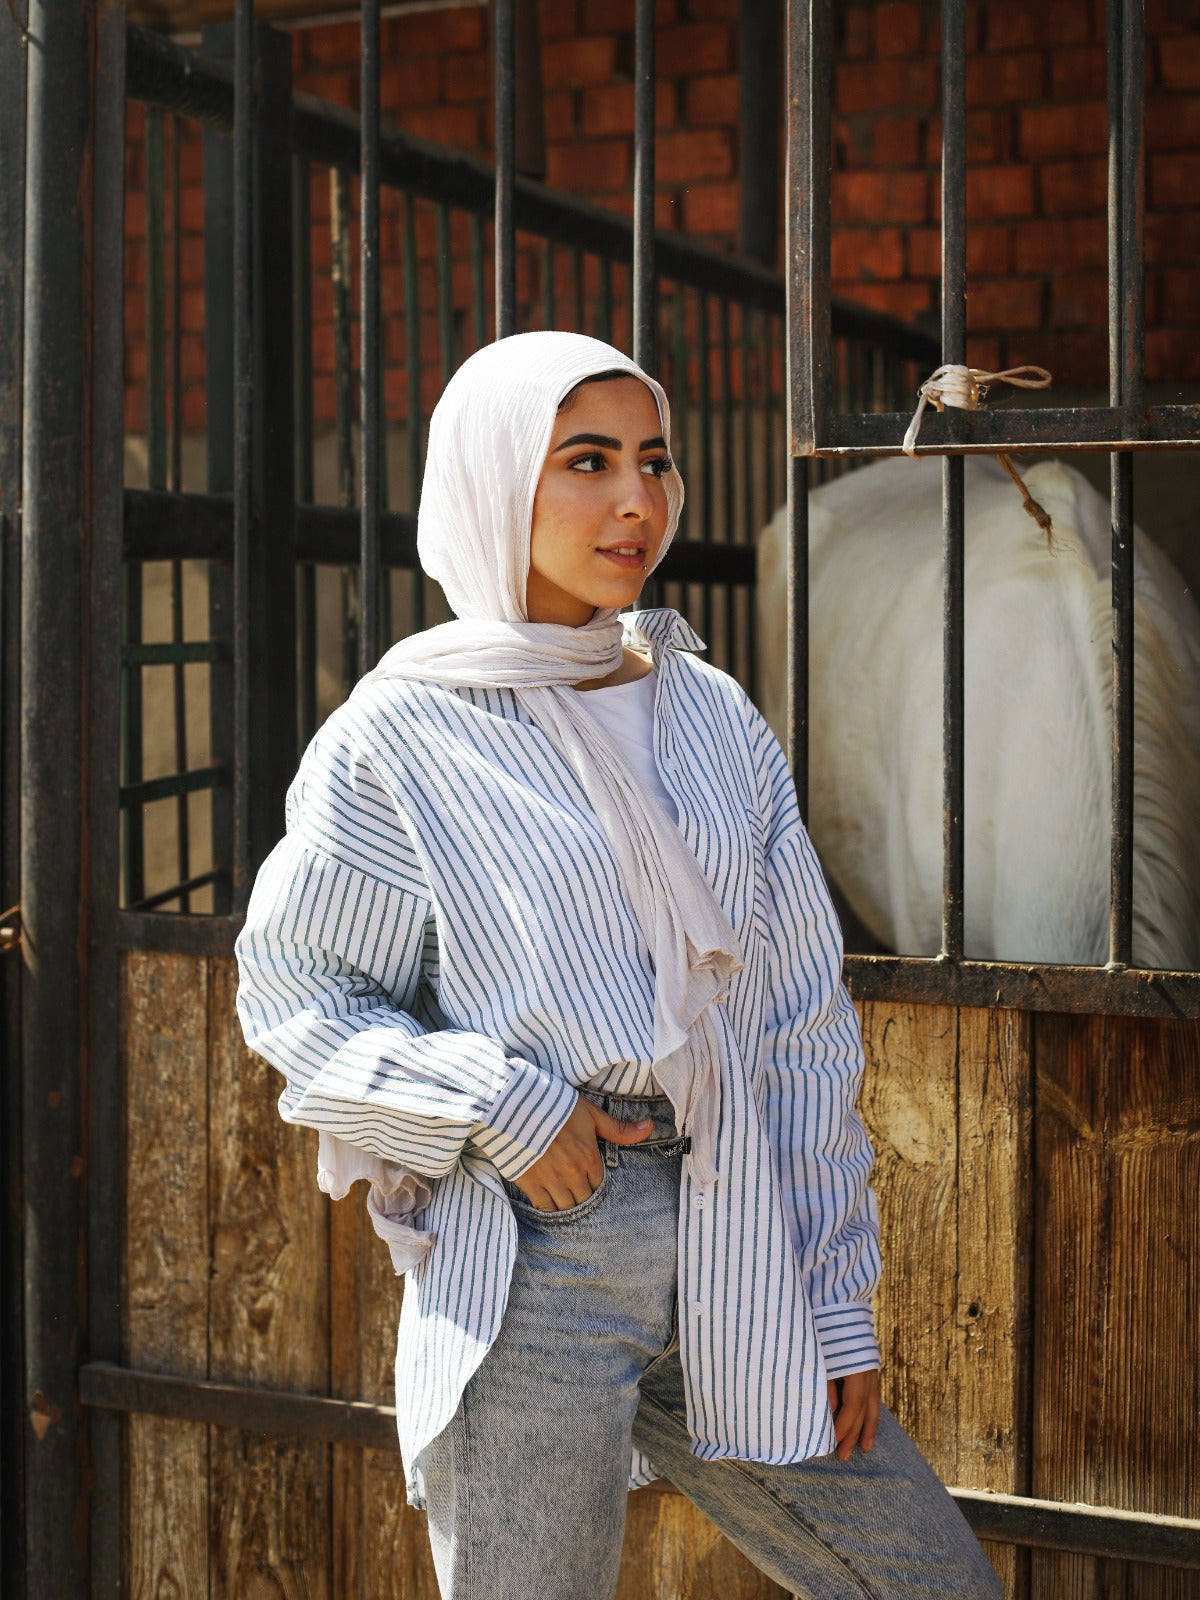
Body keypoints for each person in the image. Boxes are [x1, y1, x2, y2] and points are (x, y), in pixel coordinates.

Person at [235, 331, 1002, 1600]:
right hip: (544, 1253)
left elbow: (797, 1021)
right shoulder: (397, 737)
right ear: (492, 481)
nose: (637, 500)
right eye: (585, 462)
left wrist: (838, 1295)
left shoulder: (708, 711)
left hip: (738, 1233)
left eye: (653, 461)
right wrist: (505, 1107)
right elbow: (298, 997)